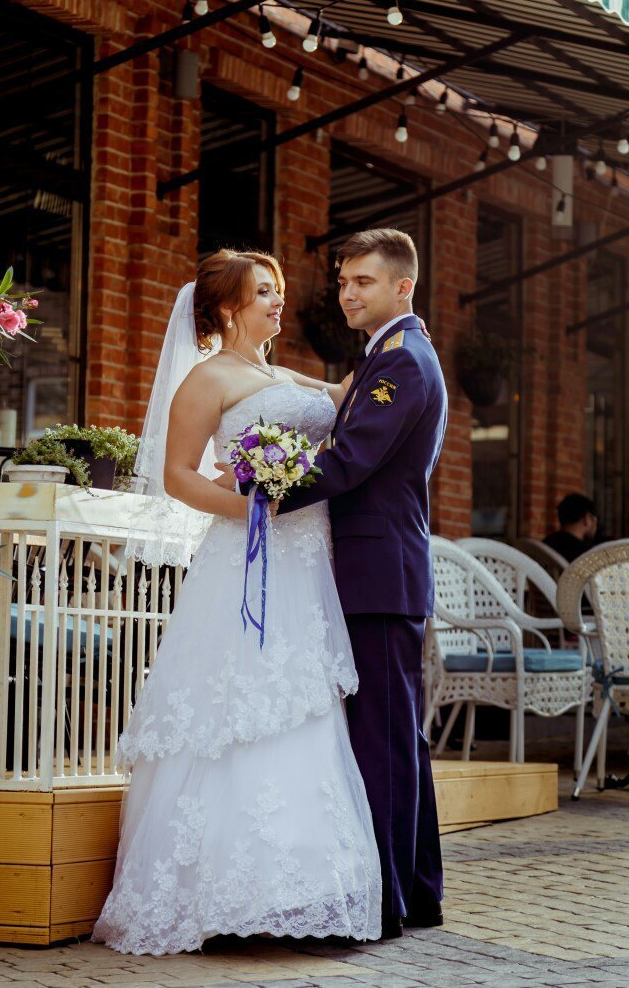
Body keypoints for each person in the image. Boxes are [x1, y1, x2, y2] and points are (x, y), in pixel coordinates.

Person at [92, 249, 381, 955]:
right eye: (264, 293)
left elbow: (349, 393)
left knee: (301, 702)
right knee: (237, 702)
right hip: (247, 558)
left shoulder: (283, 374)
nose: (279, 302)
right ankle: (221, 894)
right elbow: (177, 476)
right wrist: (250, 507)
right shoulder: (207, 378)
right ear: (228, 308)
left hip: (307, 563)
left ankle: (298, 890)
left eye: (277, 291)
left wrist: (398, 336)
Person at [268, 227, 448, 940]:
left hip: (379, 572)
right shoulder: (386, 354)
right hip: (380, 570)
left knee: (383, 737)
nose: (348, 293)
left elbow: (348, 461)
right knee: (396, 735)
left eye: (363, 282)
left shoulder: (402, 360)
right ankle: (416, 892)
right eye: (343, 282)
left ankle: (387, 902)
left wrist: (258, 485)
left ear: (404, 286)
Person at [545, 493, 599, 563]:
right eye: (595, 520)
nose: (596, 525)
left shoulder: (545, 545)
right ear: (587, 518)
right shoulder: (587, 555)